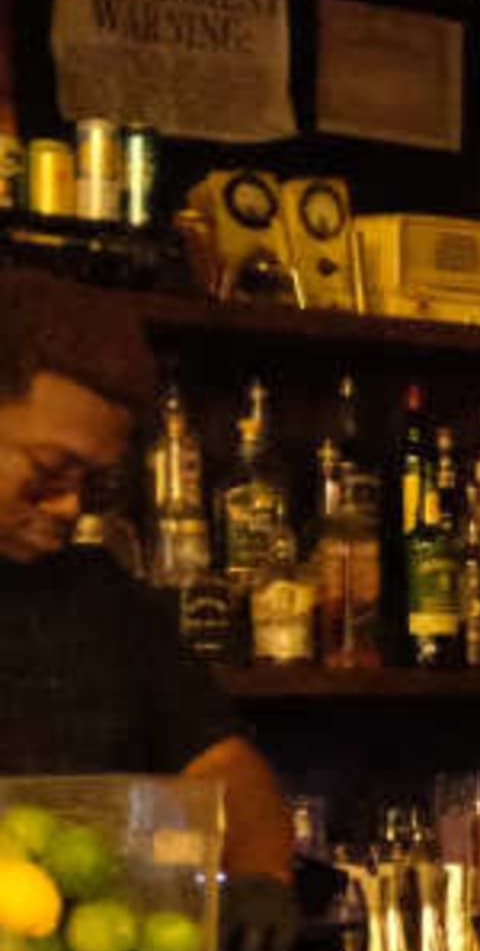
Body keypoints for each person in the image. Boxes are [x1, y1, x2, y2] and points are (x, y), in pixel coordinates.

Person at [0, 290, 297, 894]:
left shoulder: (100, 599)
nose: (69, 507)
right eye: (50, 472)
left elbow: (226, 771)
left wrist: (261, 881)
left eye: (91, 484)